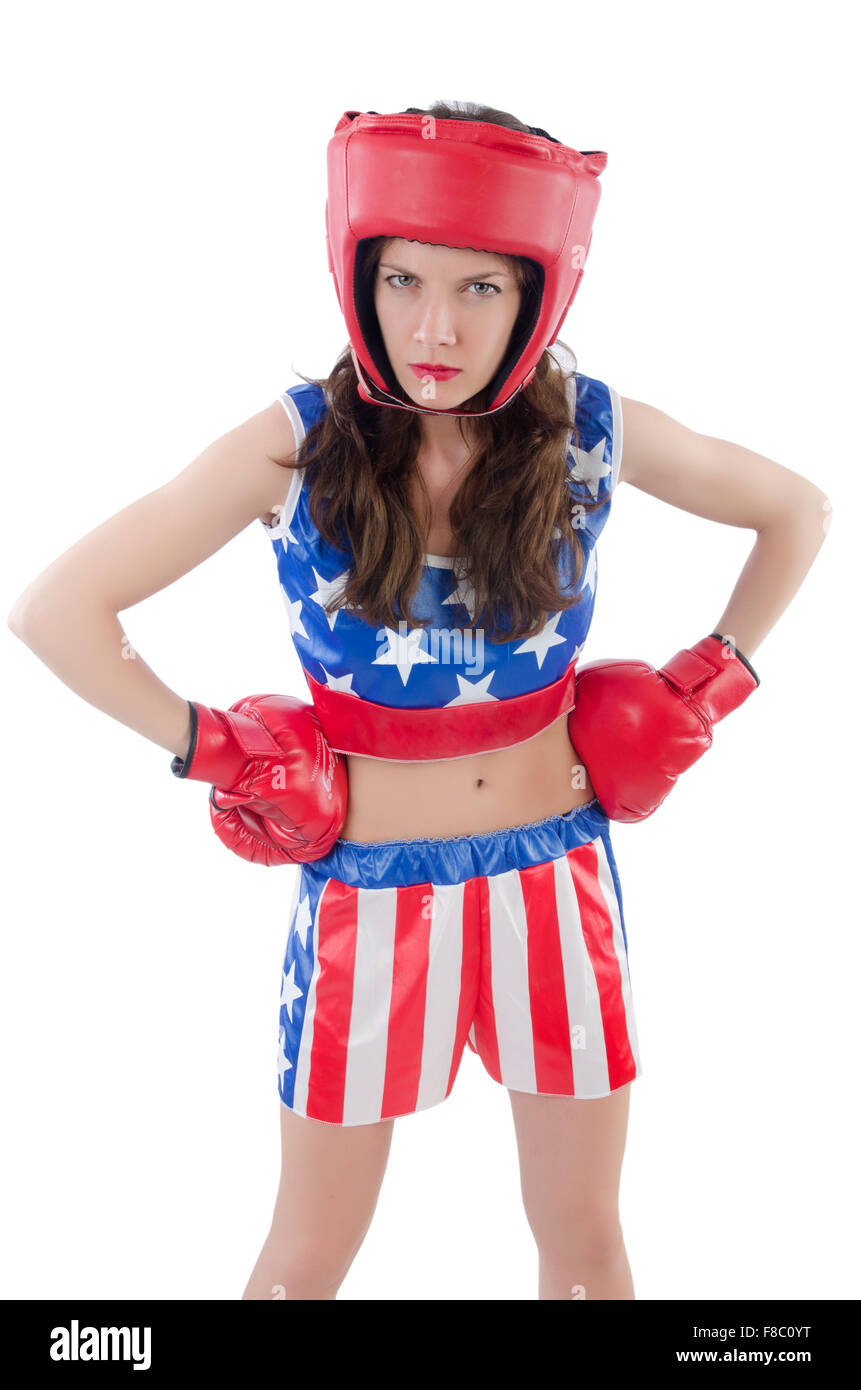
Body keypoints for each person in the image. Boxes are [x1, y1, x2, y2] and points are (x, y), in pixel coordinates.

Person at [7, 100, 831, 1302]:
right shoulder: (297, 445)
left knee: (588, 1247)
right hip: (367, 901)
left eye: (481, 289)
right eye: (402, 279)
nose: (433, 326)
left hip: (557, 876)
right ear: (361, 274)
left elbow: (798, 508)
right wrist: (212, 750)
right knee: (307, 1261)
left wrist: (712, 681)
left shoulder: (590, 432)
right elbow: (53, 610)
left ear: (539, 290)